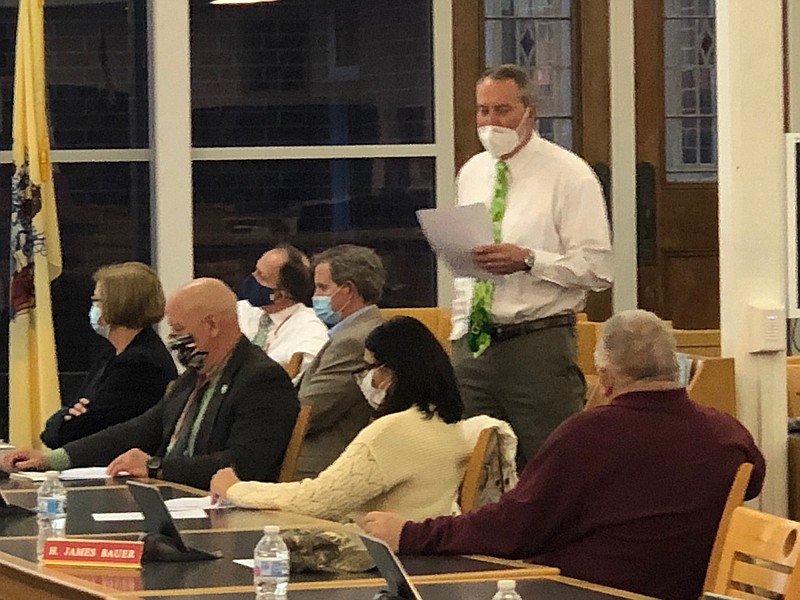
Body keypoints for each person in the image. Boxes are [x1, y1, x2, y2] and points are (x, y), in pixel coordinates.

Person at [363, 310, 766, 600]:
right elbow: (753, 484)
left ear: (606, 377)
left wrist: (412, 534)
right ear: (674, 368)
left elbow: (515, 527)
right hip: (685, 586)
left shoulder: (587, 435)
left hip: (587, 588)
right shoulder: (727, 433)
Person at [451, 64, 613, 467]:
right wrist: (460, 331)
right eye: (482, 111)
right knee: (474, 467)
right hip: (475, 340)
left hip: (537, 342)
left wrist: (528, 259)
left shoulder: (569, 174)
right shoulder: (473, 172)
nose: (490, 122)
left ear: (529, 112)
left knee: (548, 465)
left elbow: (597, 268)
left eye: (502, 110)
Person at [2, 278, 299, 491]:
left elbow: (246, 464)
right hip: (174, 498)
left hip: (220, 513)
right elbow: (141, 428)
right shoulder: (192, 377)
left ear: (212, 325)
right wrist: (52, 460)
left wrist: (156, 467)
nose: (172, 339)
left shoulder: (260, 380)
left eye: (179, 330)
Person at [209, 317, 472, 522]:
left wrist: (236, 489)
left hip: (377, 554)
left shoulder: (394, 430)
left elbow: (318, 500)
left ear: (391, 371)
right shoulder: (446, 422)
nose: (366, 379)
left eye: (369, 368)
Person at [40, 262, 177, 448]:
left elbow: (78, 430)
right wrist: (64, 418)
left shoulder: (141, 364)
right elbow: (71, 413)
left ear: (118, 304)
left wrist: (64, 421)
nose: (93, 308)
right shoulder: (111, 354)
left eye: (97, 301)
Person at [294, 244, 385, 478]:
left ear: (348, 290)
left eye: (322, 288)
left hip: (320, 467)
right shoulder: (350, 333)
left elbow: (309, 411)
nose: (314, 297)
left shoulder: (355, 340)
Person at [237, 244, 327, 379]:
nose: (252, 278)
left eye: (261, 276)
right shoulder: (241, 310)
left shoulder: (310, 332)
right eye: (255, 270)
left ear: (280, 295)